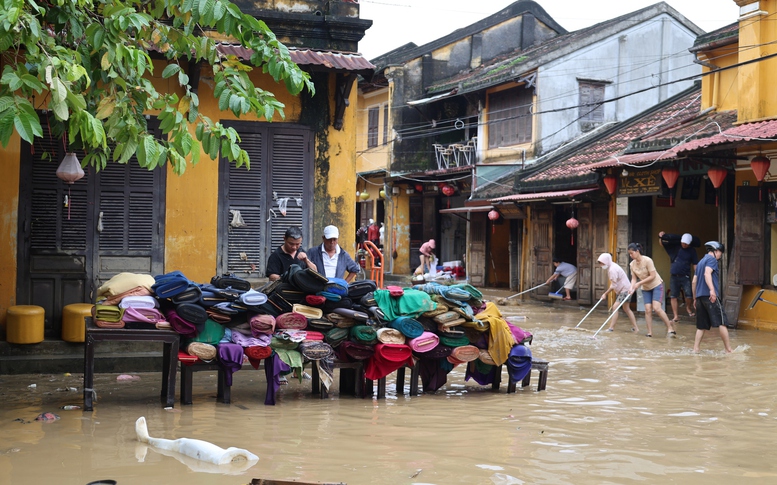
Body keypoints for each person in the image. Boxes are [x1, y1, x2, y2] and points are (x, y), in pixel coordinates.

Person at [692, 241, 733, 353]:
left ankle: (696, 349)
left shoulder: (700, 262)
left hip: (700, 298)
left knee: (701, 326)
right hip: (710, 297)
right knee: (722, 322)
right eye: (720, 252)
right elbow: (707, 273)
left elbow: (694, 281)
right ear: (715, 251)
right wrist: (712, 290)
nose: (720, 255)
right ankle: (728, 349)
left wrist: (695, 298)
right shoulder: (712, 260)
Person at [628, 243, 676, 337]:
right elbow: (634, 278)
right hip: (646, 288)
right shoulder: (632, 264)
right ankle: (649, 332)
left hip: (656, 285)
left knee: (657, 308)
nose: (631, 255)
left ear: (637, 251)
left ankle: (670, 328)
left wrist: (639, 283)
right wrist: (631, 288)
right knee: (647, 309)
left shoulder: (647, 260)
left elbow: (652, 276)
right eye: (629, 254)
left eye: (631, 253)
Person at [658, 231, 699, 322]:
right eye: (683, 243)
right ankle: (676, 316)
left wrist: (698, 275)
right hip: (674, 276)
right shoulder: (675, 247)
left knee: (689, 295)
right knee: (673, 296)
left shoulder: (692, 251)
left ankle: (688, 307)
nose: (684, 244)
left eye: (686, 243)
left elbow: (695, 264)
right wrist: (660, 237)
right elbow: (662, 244)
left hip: (686, 276)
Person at [597, 253, 638, 332]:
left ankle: (611, 328)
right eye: (600, 263)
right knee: (626, 308)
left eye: (602, 263)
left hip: (625, 290)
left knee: (615, 307)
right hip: (625, 288)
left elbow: (613, 286)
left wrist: (605, 294)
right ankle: (635, 328)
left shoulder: (612, 269)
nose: (601, 265)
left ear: (606, 261)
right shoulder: (611, 266)